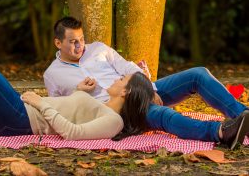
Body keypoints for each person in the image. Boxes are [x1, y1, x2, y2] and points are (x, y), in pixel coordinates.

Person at [43, 16, 249, 149]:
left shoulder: (98, 48)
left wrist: (148, 89)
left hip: (140, 88)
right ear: (58, 42)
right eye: (73, 42)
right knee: (163, 115)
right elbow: (61, 108)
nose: (80, 46)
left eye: (81, 38)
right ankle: (221, 132)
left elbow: (129, 68)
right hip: (117, 110)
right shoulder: (53, 74)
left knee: (198, 74)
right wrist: (79, 91)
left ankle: (243, 118)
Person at [0, 52, 155, 140]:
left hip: (20, 120)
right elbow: (71, 111)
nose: (118, 78)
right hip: (21, 111)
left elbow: (72, 132)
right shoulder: (103, 105)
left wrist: (40, 103)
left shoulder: (115, 121)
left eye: (122, 79)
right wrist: (79, 92)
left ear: (125, 91)